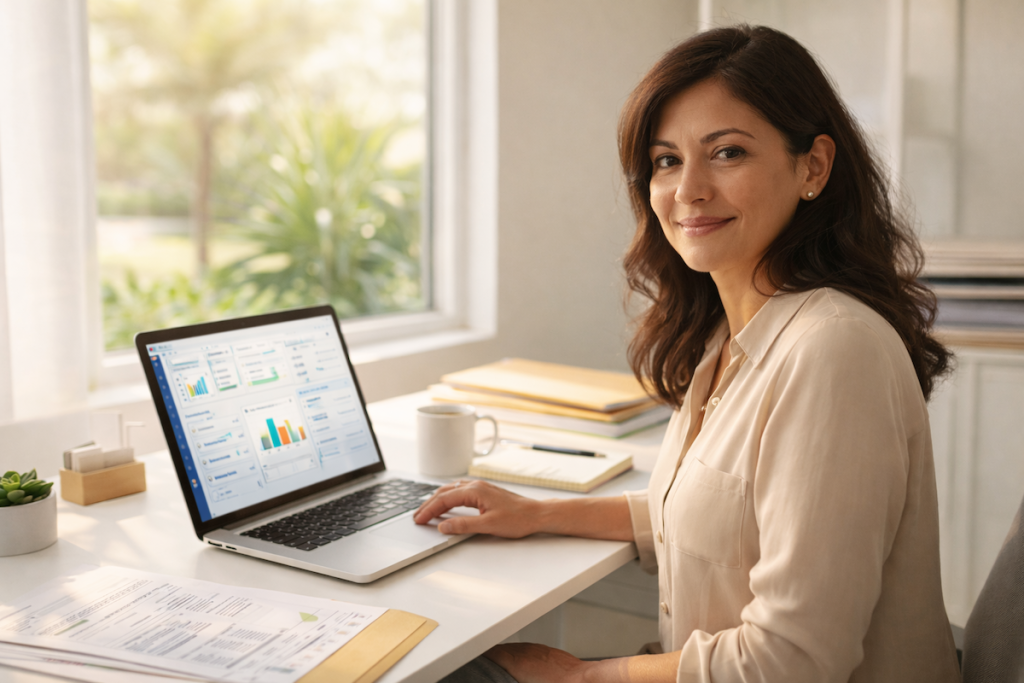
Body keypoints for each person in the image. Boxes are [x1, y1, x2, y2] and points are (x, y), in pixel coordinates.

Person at [414, 24, 961, 683]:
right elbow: (708, 511)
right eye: (666, 160)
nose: (689, 189)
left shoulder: (834, 348)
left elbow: (791, 662)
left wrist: (576, 675)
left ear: (813, 166)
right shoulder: (729, 335)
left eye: (726, 152)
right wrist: (536, 512)